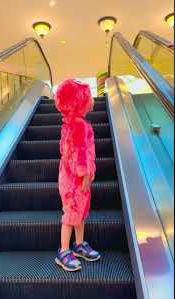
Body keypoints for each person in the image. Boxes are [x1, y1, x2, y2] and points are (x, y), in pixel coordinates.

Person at [54, 79, 101, 272]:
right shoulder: (79, 125)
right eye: (88, 96)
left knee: (80, 213)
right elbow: (80, 153)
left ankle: (79, 245)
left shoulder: (70, 124)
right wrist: (84, 176)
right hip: (75, 180)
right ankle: (63, 251)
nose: (91, 100)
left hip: (72, 177)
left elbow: (64, 149)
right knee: (72, 214)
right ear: (79, 102)